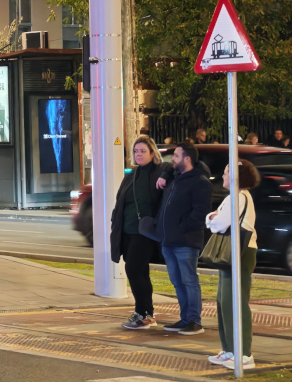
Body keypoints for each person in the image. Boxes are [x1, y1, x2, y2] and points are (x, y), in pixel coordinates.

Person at [206, 159, 260, 370]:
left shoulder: (238, 197)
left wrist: (213, 218)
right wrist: (214, 218)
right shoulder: (234, 197)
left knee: (234, 302)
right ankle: (230, 350)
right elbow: (213, 220)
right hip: (233, 251)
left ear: (237, 176)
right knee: (224, 301)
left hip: (241, 252)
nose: (223, 176)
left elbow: (217, 223)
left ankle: (244, 354)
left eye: (227, 172)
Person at [156, 141, 212, 335]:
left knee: (189, 280)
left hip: (186, 241)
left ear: (187, 159)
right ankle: (185, 318)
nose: (173, 159)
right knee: (177, 281)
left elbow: (200, 213)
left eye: (177, 156)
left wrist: (181, 227)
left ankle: (194, 321)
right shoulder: (176, 178)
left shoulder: (200, 182)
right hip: (169, 240)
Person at [111, 136, 163, 330]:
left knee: (133, 269)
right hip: (127, 231)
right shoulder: (131, 175)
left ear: (152, 153)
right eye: (136, 151)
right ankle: (146, 313)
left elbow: (171, 170)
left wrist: (164, 177)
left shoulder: (159, 172)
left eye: (143, 151)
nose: (139, 154)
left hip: (144, 232)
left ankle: (143, 313)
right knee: (140, 271)